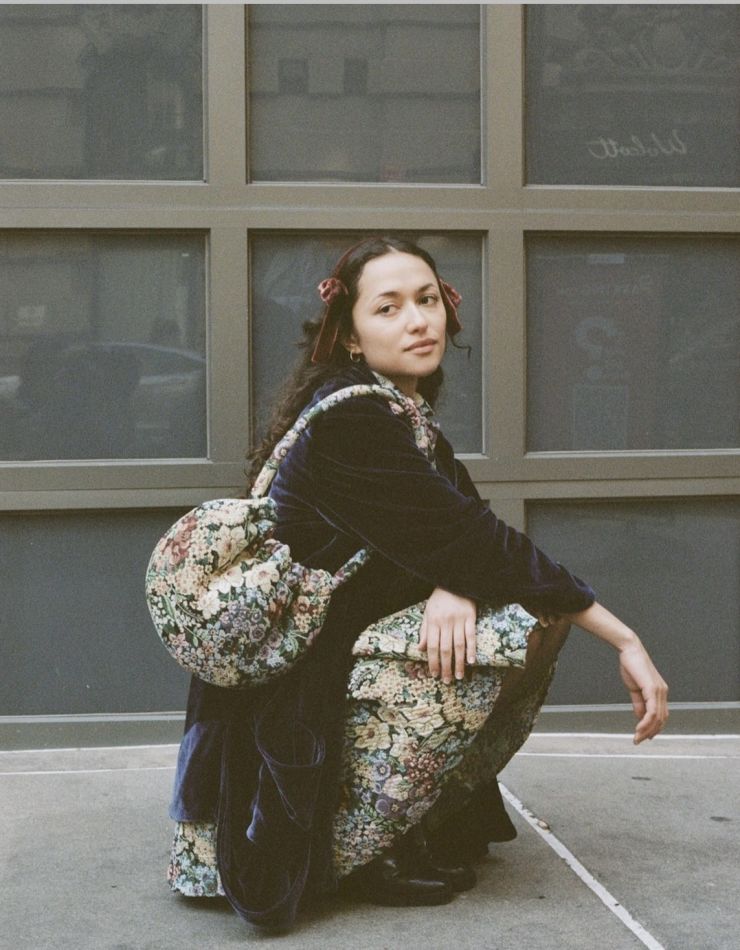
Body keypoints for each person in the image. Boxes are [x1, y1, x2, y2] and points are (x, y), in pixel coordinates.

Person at [167, 235, 669, 931]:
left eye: (427, 300)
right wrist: (624, 638)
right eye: (389, 307)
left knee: (497, 613)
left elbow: (460, 530)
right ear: (349, 335)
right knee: (508, 627)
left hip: (336, 643)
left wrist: (454, 584)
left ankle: (404, 821)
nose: (417, 320)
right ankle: (361, 847)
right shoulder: (351, 420)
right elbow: (474, 541)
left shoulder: (399, 412)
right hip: (293, 672)